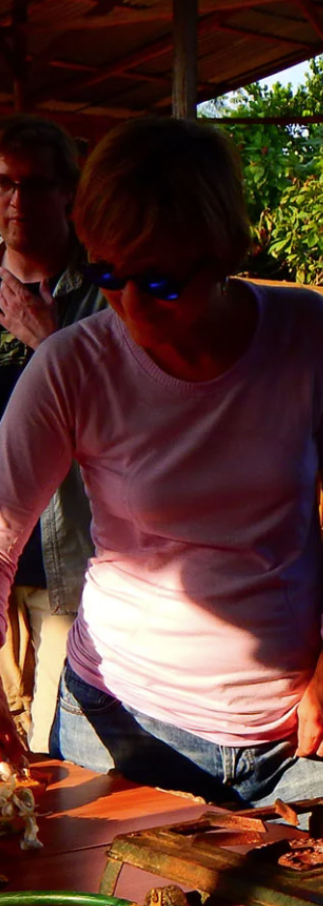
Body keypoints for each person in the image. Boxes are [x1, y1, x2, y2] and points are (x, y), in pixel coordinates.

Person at [0, 117, 323, 808]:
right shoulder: (72, 365)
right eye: (107, 274)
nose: (130, 306)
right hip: (119, 722)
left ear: (222, 252)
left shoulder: (306, 334)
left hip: (297, 730)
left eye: (161, 281)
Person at [0, 116, 103, 755]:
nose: (17, 200)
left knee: (54, 754)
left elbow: (128, 417)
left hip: (69, 565)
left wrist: (48, 339)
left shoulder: (108, 294)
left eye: (35, 184)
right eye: (4, 183)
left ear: (67, 192)